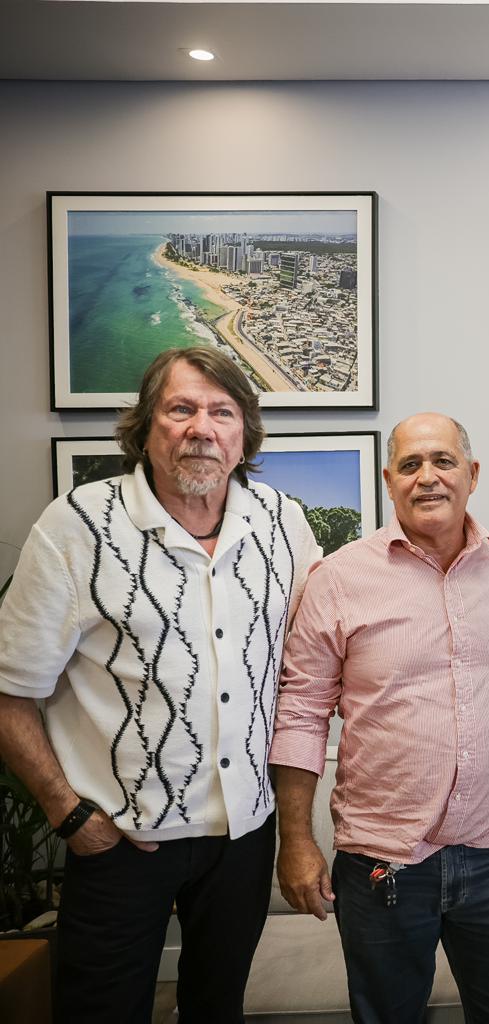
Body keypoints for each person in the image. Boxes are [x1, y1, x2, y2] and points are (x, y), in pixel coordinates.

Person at [0, 346, 322, 1023]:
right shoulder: (77, 525)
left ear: (244, 435)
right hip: (119, 840)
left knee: (217, 1007)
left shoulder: (281, 520)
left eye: (222, 412)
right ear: (146, 428)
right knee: (101, 1010)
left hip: (243, 834)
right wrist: (69, 814)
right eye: (181, 409)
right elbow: (9, 690)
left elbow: (331, 627)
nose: (201, 428)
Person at [269, 412, 489, 1024]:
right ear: (390, 480)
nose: (427, 476)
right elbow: (300, 711)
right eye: (410, 465)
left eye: (443, 461)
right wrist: (294, 841)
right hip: (384, 863)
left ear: (472, 474)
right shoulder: (338, 579)